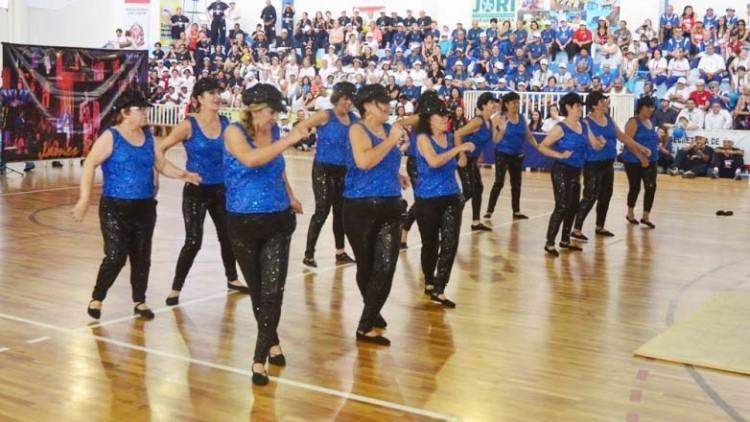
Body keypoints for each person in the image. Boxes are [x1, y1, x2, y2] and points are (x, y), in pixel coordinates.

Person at [71, 91, 201, 320]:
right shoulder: (111, 137)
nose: (145, 114)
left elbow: (161, 165)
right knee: (115, 256)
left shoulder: (148, 137)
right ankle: (97, 297)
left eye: (145, 109)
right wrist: (84, 199)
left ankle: (139, 301)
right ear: (124, 113)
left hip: (144, 206)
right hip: (115, 207)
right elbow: (90, 164)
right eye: (139, 110)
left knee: (142, 256)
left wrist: (183, 174)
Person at [222, 84, 307, 386]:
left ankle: (259, 359)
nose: (274, 118)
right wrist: (290, 139)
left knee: (273, 291)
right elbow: (251, 159)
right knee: (258, 291)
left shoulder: (273, 134)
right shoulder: (234, 132)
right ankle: (272, 340)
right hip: (242, 222)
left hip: (278, 220)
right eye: (272, 112)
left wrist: (291, 194)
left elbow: (276, 168)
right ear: (255, 109)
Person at [156, 78, 245, 306]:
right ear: (198, 99)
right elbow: (159, 149)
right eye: (210, 93)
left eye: (218, 92)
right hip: (196, 191)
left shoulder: (227, 124)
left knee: (228, 237)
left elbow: (240, 154)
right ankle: (176, 288)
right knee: (193, 240)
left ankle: (232, 278)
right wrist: (176, 173)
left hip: (223, 190)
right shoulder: (188, 125)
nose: (216, 97)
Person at [344, 84, 410, 346]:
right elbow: (364, 162)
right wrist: (392, 140)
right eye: (382, 102)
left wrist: (396, 173)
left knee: (386, 265)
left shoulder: (386, 129)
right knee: (368, 266)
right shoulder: (357, 129)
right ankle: (371, 312)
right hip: (359, 207)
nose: (388, 105)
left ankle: (365, 321)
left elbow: (381, 161)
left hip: (390, 205)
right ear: (368, 105)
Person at [413, 96, 474, 308]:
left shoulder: (449, 137)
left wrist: (463, 155)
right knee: (430, 244)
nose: (445, 119)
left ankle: (440, 287)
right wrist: (458, 150)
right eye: (441, 116)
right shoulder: (423, 139)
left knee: (450, 243)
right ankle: (429, 281)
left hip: (451, 196)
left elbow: (460, 162)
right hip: (427, 199)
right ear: (429, 119)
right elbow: (434, 161)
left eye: (446, 116)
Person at [571, 92, 651, 241]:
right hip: (593, 164)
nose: (605, 103)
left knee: (606, 196)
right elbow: (588, 143)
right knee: (590, 196)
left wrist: (640, 147)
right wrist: (597, 144)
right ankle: (576, 229)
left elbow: (622, 136)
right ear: (594, 105)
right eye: (602, 101)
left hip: (608, 163)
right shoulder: (586, 122)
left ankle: (599, 226)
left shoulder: (608, 119)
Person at [298, 82, 359, 268]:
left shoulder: (354, 120)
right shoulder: (325, 115)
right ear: (337, 98)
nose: (348, 103)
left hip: (344, 170)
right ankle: (309, 254)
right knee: (322, 209)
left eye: (350, 99)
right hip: (323, 168)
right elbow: (302, 126)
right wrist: (304, 138)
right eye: (345, 99)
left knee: (340, 212)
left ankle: (340, 252)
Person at [538, 93, 605, 257]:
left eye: (580, 106)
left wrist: (600, 143)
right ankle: (549, 242)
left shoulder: (584, 125)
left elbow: (594, 145)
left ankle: (565, 240)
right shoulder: (561, 128)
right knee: (561, 206)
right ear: (568, 107)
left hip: (576, 171)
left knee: (573, 206)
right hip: (561, 170)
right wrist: (560, 155)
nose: (580, 109)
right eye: (577, 106)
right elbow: (543, 146)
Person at [484, 92, 540, 221]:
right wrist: (501, 132)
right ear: (507, 104)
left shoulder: (521, 118)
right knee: (499, 182)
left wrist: (538, 146)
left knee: (516, 184)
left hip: (517, 155)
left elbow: (528, 135)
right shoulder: (499, 117)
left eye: (517, 102)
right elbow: (493, 138)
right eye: (514, 102)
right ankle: (489, 211)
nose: (516, 105)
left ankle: (516, 210)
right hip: (502, 154)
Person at [455, 92, 500, 231]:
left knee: (478, 188)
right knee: (469, 190)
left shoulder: (490, 122)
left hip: (472, 158)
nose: (494, 105)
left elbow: (494, 140)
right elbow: (457, 134)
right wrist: (461, 154)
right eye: (491, 103)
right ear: (483, 105)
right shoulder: (478, 121)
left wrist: (501, 128)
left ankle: (475, 222)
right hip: (463, 156)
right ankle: (451, 213)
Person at [623, 97, 661, 229]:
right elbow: (627, 141)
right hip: (633, 160)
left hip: (652, 160)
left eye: (652, 107)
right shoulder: (634, 122)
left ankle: (646, 216)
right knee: (635, 187)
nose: (651, 110)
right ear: (641, 107)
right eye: (648, 107)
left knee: (651, 187)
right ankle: (630, 213)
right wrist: (641, 157)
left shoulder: (650, 121)